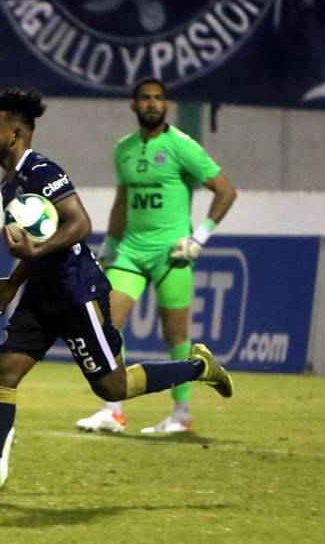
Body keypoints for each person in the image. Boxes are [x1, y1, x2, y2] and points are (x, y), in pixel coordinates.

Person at [0, 87, 233, 500]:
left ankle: (198, 368)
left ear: (15, 134)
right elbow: (40, 241)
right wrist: (15, 281)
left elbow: (80, 223)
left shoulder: (41, 170)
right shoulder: (11, 184)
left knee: (112, 388)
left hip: (76, 292)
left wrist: (34, 252)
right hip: (40, 294)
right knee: (1, 373)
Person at [75, 77, 237, 435]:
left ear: (166, 106)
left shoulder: (181, 146)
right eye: (145, 98)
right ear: (134, 106)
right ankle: (112, 411)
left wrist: (199, 237)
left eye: (158, 98)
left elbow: (225, 190)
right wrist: (110, 247)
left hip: (171, 254)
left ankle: (181, 414)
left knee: (175, 334)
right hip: (130, 252)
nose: (151, 103)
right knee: (106, 324)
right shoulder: (124, 149)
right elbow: (122, 201)